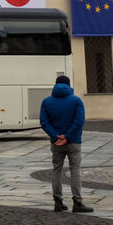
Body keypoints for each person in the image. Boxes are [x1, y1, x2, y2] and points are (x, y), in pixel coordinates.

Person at [40, 74, 93, 213]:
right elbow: (79, 121)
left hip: (56, 142)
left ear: (55, 85)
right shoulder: (76, 101)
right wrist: (68, 137)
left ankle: (58, 202)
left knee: (56, 170)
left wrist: (55, 135)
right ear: (69, 85)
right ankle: (77, 202)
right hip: (74, 141)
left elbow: (44, 122)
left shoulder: (46, 102)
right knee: (75, 169)